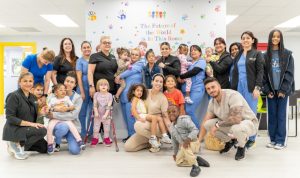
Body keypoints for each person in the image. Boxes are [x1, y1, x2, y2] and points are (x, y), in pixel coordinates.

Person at [198, 77, 258, 160]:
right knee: (207, 124)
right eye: (208, 89)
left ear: (219, 86)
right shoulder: (212, 102)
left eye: (213, 87)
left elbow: (236, 119)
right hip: (229, 123)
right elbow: (205, 120)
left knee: (236, 128)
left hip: (247, 123)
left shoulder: (232, 95)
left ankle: (241, 146)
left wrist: (218, 125)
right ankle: (230, 141)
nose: (211, 90)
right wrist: (198, 141)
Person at [3, 72, 48, 160]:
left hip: (27, 129)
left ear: (33, 82)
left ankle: (20, 144)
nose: (28, 83)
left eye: (30, 81)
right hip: (15, 128)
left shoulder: (33, 97)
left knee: (44, 148)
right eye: (25, 81)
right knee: (42, 130)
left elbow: (32, 115)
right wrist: (32, 124)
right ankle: (14, 143)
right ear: (19, 82)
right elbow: (10, 117)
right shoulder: (13, 96)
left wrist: (41, 113)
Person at [263, 29, 295, 149]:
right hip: (271, 91)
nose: (275, 38)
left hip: (283, 91)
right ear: (270, 38)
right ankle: (273, 139)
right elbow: (263, 75)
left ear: (280, 39)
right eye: (273, 36)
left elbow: (289, 73)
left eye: (278, 37)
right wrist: (267, 90)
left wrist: (283, 90)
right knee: (272, 115)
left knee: (281, 116)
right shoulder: (265, 55)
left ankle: (281, 140)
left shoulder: (287, 55)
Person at [124, 73, 171, 152]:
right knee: (128, 147)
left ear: (163, 84)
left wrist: (172, 132)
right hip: (145, 126)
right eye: (156, 81)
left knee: (138, 125)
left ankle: (155, 138)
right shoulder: (144, 92)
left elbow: (166, 117)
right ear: (152, 82)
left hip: (156, 126)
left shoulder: (163, 98)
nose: (158, 83)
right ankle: (153, 142)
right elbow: (134, 103)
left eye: (161, 82)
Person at [48, 72, 83, 155]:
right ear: (64, 81)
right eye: (67, 81)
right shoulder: (53, 95)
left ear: (75, 85)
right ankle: (57, 142)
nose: (68, 84)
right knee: (63, 127)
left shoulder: (78, 98)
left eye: (72, 82)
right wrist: (53, 110)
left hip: (72, 126)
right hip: (57, 125)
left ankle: (73, 139)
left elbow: (73, 115)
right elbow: (47, 111)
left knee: (75, 151)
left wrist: (54, 114)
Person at [169, 105, 210, 177]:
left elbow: (195, 130)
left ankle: (195, 166)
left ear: (179, 112)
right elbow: (174, 142)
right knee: (178, 162)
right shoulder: (172, 127)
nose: (171, 113)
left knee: (184, 146)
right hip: (185, 147)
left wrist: (188, 139)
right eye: (169, 112)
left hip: (193, 143)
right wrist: (175, 154)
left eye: (174, 111)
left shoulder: (184, 120)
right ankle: (196, 160)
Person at [115, 48, 144, 142]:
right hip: (123, 95)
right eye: (133, 54)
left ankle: (133, 136)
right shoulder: (127, 64)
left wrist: (119, 76)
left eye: (136, 55)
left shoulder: (139, 64)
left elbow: (130, 72)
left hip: (132, 97)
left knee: (131, 117)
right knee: (126, 117)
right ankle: (129, 135)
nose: (134, 56)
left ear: (139, 57)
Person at [179, 45, 207, 128]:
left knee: (189, 110)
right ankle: (191, 132)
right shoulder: (189, 62)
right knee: (184, 112)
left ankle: (198, 132)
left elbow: (194, 72)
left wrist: (180, 77)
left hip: (196, 89)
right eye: (191, 50)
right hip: (186, 90)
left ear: (200, 53)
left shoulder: (201, 61)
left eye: (195, 50)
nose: (193, 52)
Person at [76, 41, 93, 138]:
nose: (86, 49)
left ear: (91, 48)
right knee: (82, 113)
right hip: (83, 88)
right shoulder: (80, 61)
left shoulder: (94, 59)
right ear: (81, 49)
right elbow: (79, 77)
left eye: (88, 47)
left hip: (92, 88)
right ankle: (82, 134)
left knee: (92, 112)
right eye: (84, 47)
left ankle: (90, 134)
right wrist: (82, 92)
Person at [91, 79, 113, 147]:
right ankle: (95, 139)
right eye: (101, 85)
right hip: (97, 115)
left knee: (107, 128)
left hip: (106, 115)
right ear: (98, 87)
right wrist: (96, 113)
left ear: (108, 86)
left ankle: (106, 139)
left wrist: (106, 114)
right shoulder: (96, 94)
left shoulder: (109, 95)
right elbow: (95, 105)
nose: (103, 86)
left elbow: (109, 106)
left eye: (105, 85)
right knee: (96, 128)